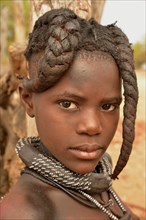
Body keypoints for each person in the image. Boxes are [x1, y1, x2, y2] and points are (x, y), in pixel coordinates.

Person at [0, 8, 139, 220]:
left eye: (108, 106)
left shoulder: (96, 183)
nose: (92, 126)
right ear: (28, 100)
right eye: (68, 104)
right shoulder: (26, 213)